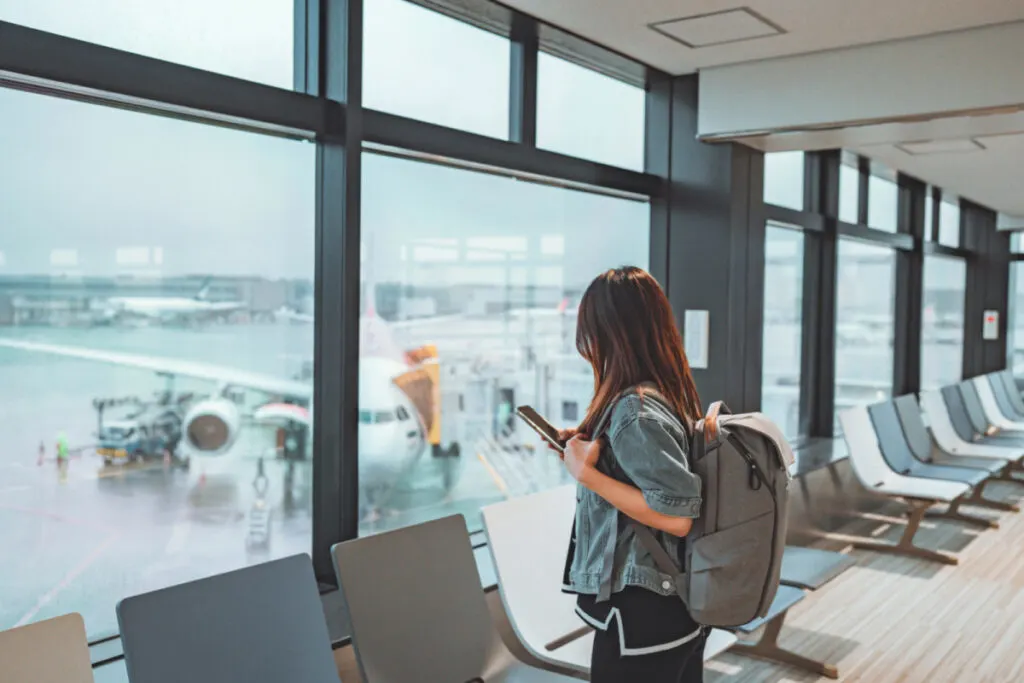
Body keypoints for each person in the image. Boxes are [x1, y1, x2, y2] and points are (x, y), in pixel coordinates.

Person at [557, 266, 706, 683]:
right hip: (669, 603)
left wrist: (587, 474)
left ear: (610, 334)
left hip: (642, 611)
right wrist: (596, 456)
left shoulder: (636, 409)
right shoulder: (667, 392)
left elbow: (676, 516)